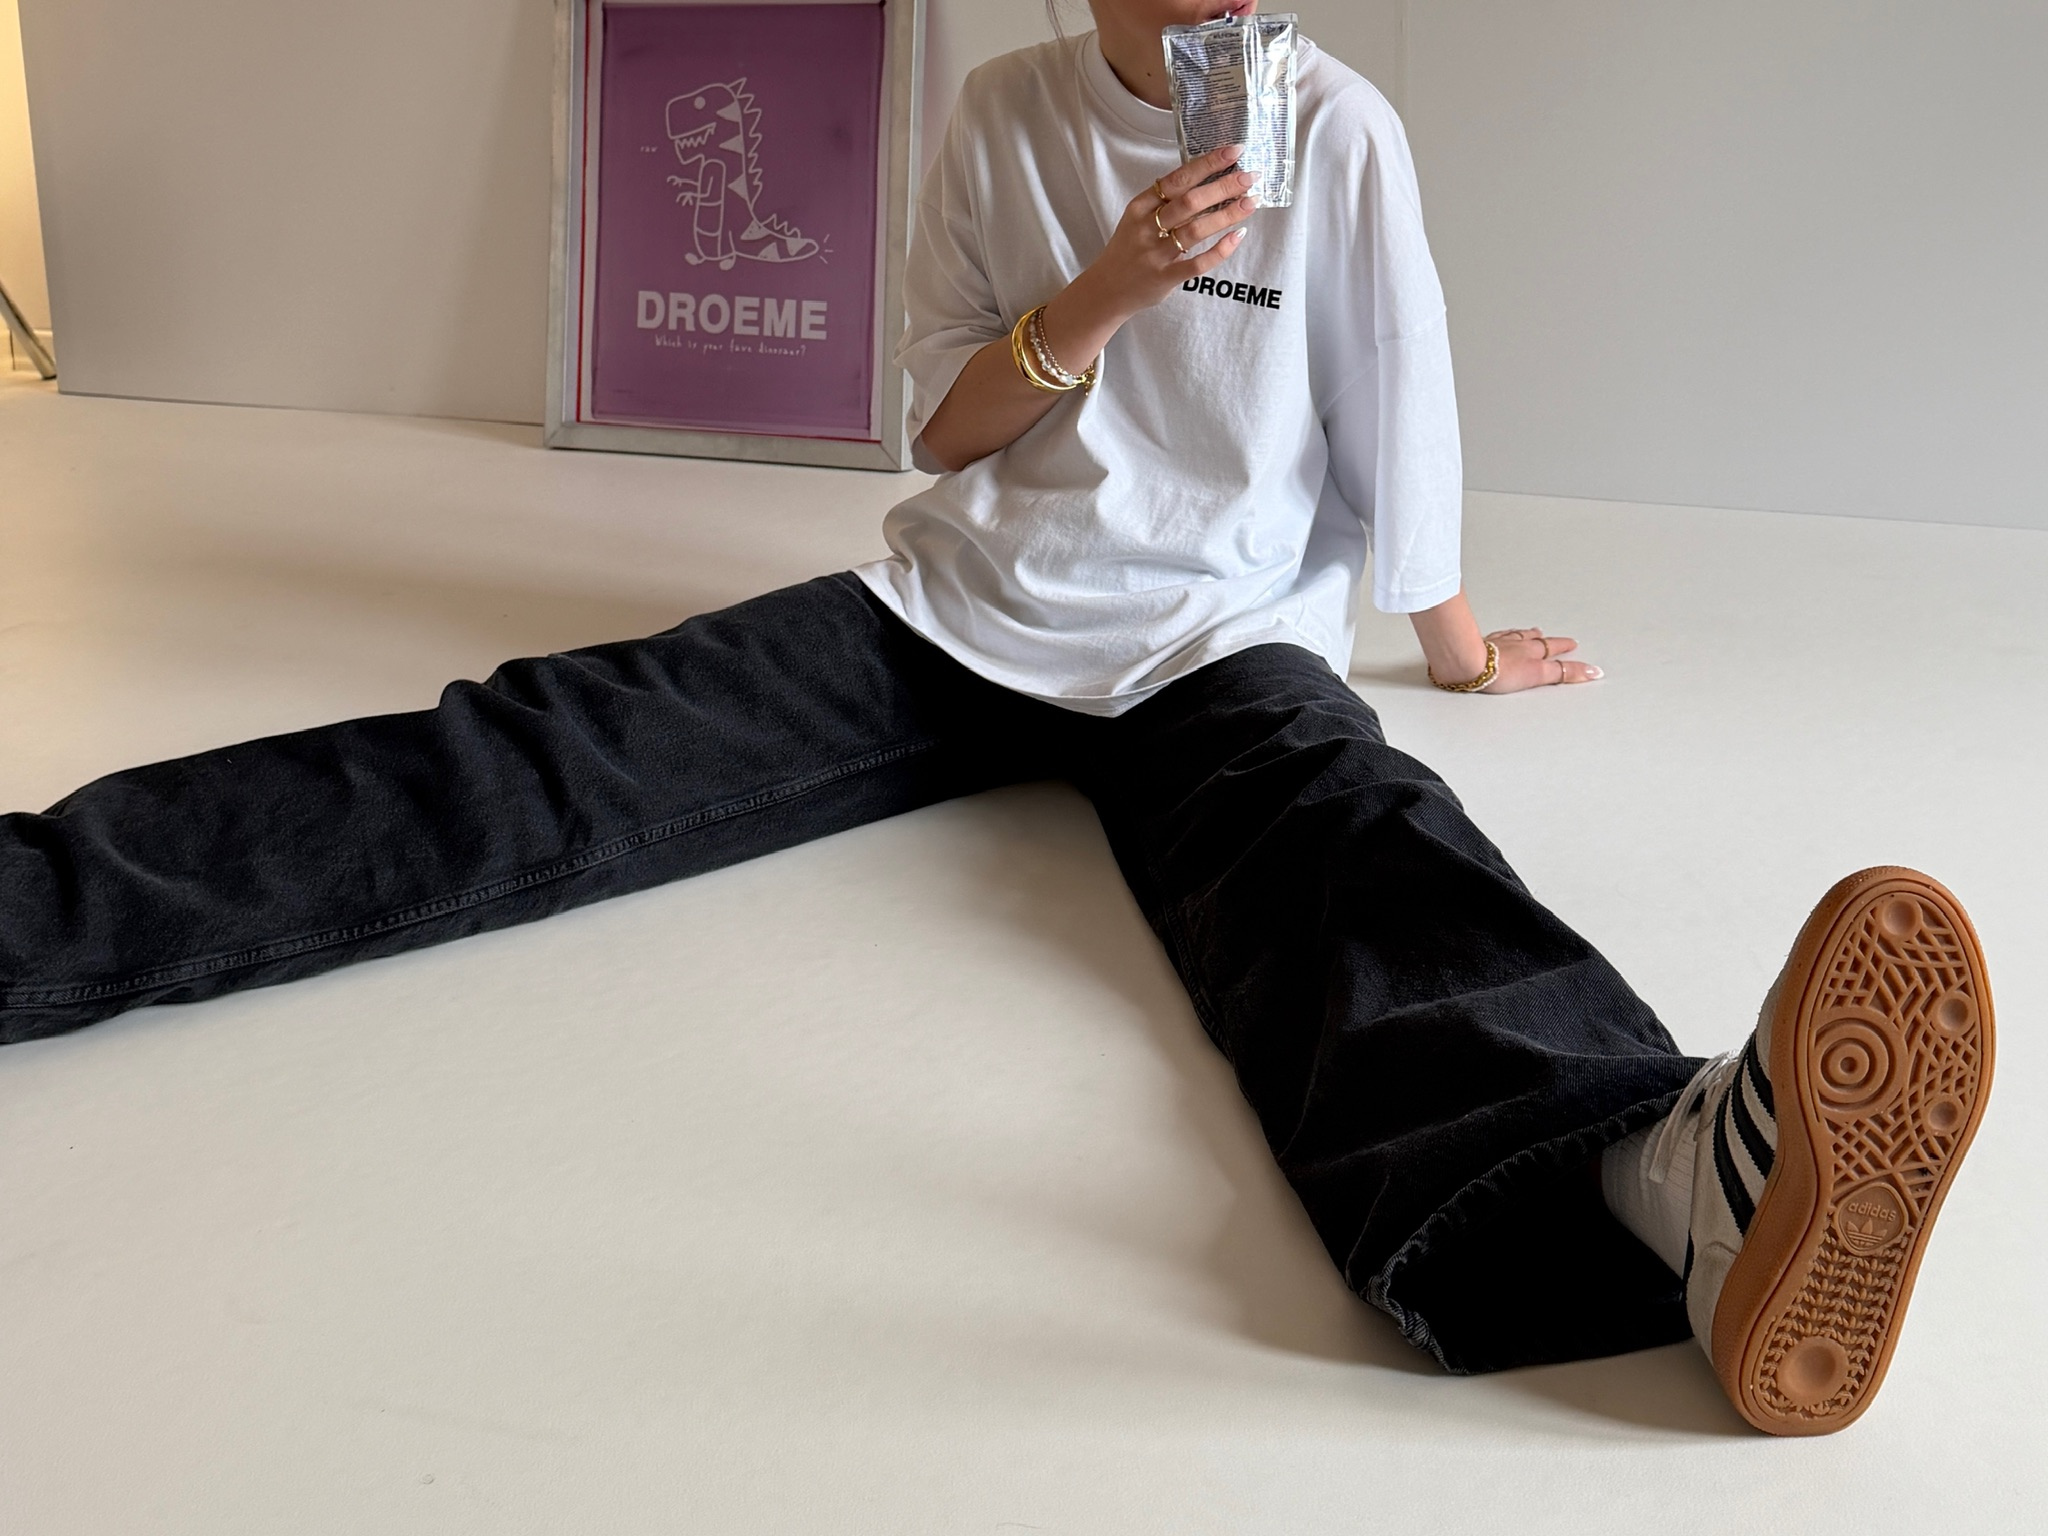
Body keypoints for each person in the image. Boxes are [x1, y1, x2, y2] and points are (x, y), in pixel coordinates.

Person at [0, 0, 1992, 1436]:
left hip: (1217, 638)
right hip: (964, 603)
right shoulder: (1006, 114)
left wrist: (1454, 648)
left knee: (1355, 857)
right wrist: (1112, 285)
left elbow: (1401, 400)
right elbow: (942, 431)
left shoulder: (1341, 128)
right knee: (548, 751)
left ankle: (1653, 1185)